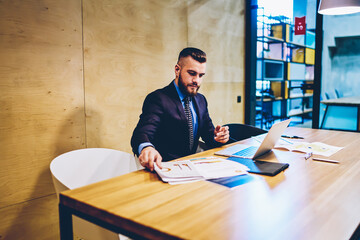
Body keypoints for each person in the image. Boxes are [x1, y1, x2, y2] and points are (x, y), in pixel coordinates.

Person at [131, 47, 229, 171]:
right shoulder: (158, 98)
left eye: (201, 75)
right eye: (192, 73)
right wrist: (147, 148)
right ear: (177, 70)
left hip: (193, 167)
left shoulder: (201, 100)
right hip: (165, 169)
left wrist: (218, 137)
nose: (196, 81)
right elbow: (142, 133)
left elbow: (209, 134)